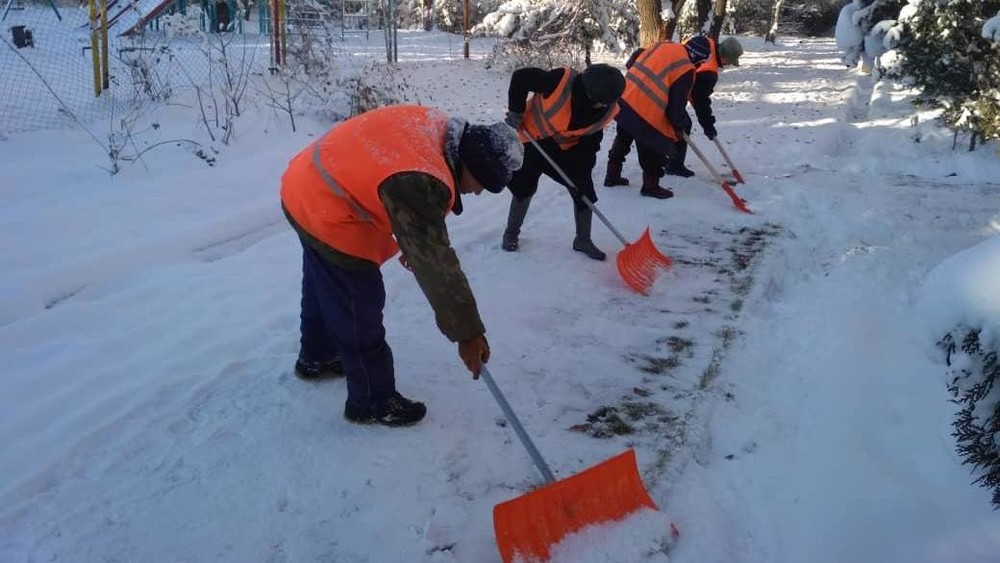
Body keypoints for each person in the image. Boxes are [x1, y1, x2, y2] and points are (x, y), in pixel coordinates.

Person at [280, 105, 524, 427]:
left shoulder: (439, 129)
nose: (477, 192)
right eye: (481, 183)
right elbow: (437, 267)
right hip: (327, 203)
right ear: (469, 163)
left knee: (325, 281)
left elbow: (389, 180)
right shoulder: (420, 180)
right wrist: (468, 333)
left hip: (308, 184)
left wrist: (413, 238)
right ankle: (371, 400)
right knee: (357, 302)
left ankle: (317, 355)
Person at [501, 63, 626, 261]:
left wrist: (581, 175)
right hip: (531, 139)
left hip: (564, 149)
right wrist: (516, 111)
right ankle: (511, 233)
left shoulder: (606, 108)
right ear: (588, 93)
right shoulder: (559, 80)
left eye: (606, 102)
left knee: (584, 190)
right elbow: (520, 78)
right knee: (523, 188)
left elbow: (590, 145)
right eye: (600, 102)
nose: (603, 106)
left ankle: (582, 240)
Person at [604, 36, 744, 189]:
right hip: (647, 108)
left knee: (624, 134)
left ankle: (612, 175)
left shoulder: (663, 45)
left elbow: (633, 60)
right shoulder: (687, 68)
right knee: (653, 144)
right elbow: (677, 106)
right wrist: (679, 125)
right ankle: (651, 186)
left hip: (626, 96)